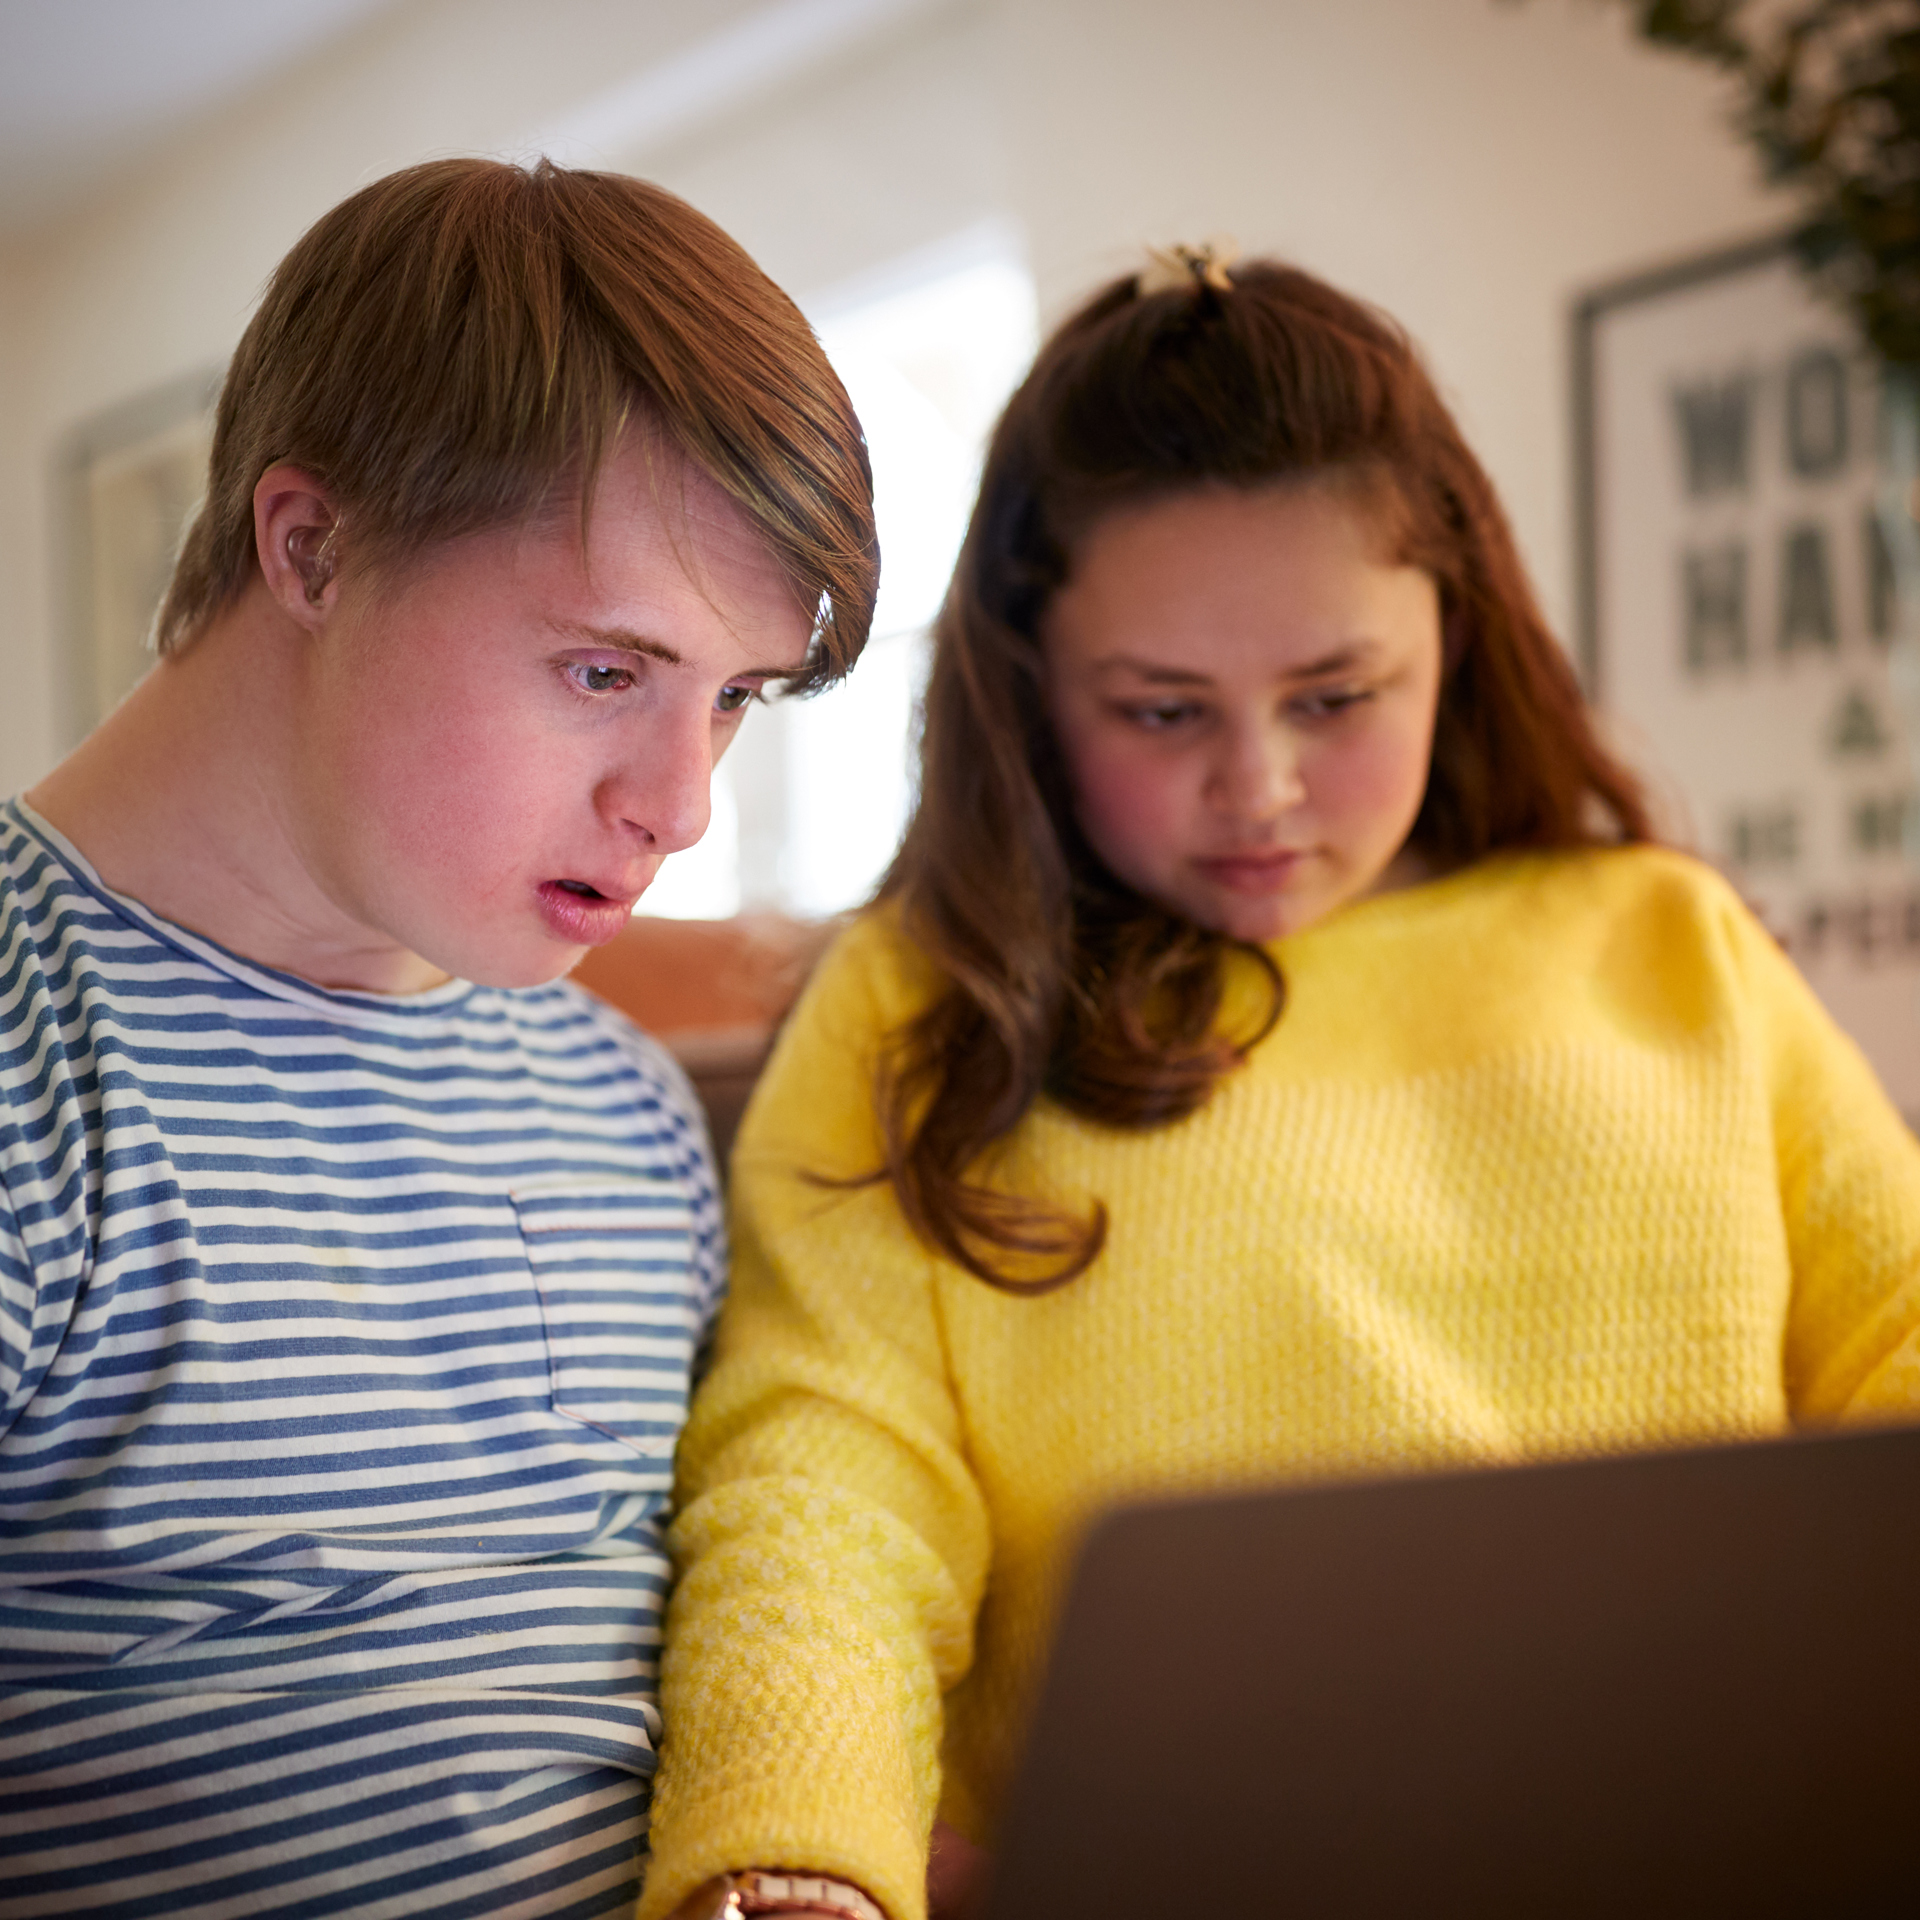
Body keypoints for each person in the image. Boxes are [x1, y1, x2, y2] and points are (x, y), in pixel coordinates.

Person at [636, 247, 1920, 1920]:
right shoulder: (923, 1004)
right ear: (1029, 686)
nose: (1262, 788)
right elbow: (824, 1473)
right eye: (1162, 711)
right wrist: (797, 1845)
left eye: (1336, 696)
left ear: (1451, 629)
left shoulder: (1667, 942)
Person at [0, 157, 875, 1918]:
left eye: (736, 701)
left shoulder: (621, 1110)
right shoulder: (35, 1056)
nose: (681, 807)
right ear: (312, 547)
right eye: (607, 673)